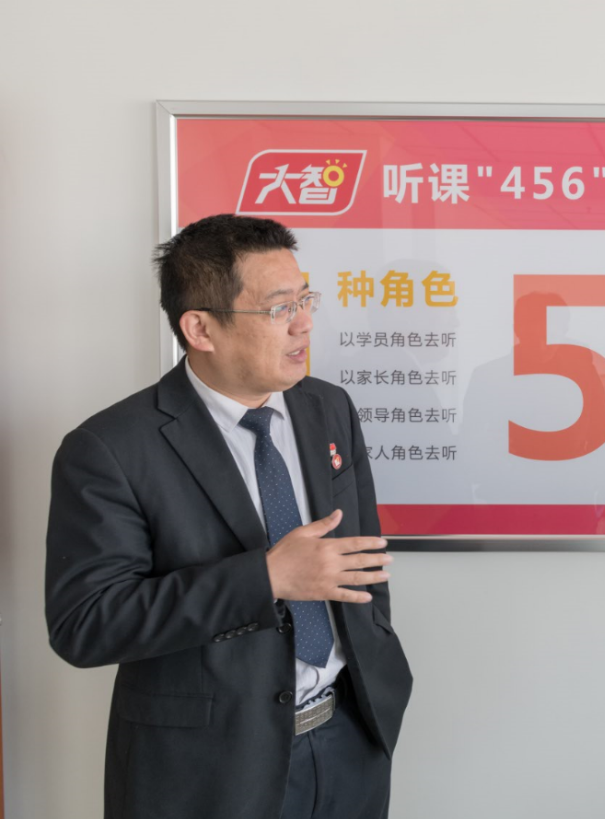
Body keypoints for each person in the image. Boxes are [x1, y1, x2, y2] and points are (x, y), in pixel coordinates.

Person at [46, 214, 412, 819]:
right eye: (279, 308)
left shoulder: (328, 407)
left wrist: (376, 668)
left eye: (306, 300)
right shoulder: (110, 449)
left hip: (349, 736)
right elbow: (86, 625)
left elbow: (361, 559)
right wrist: (265, 578)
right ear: (200, 328)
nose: (304, 323)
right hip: (208, 769)